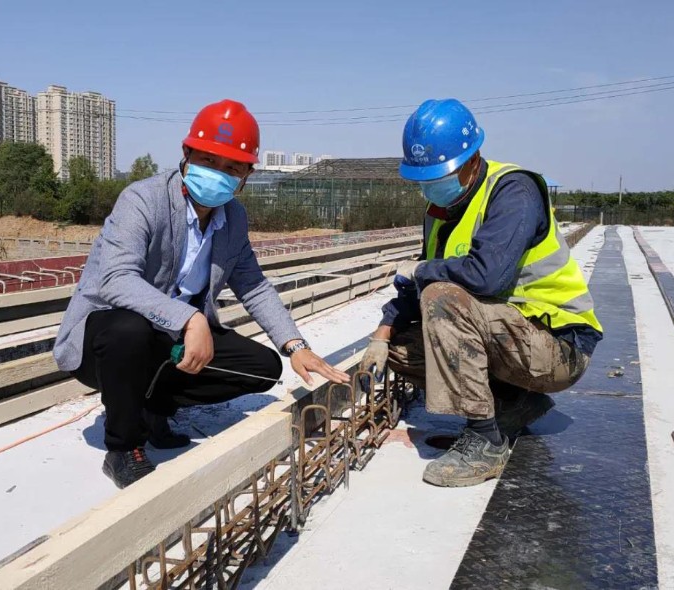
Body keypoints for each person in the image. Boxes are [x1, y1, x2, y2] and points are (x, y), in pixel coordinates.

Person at [53, 99, 349, 489]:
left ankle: (155, 408)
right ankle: (124, 448)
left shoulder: (233, 218)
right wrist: (190, 318)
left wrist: (295, 346)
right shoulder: (143, 200)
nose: (218, 174)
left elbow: (253, 285)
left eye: (232, 167)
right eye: (209, 160)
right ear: (187, 154)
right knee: (130, 331)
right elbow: (116, 279)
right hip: (107, 342)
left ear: (246, 175)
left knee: (262, 367)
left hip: (168, 338)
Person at [360, 99, 602, 488]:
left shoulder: (513, 191)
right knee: (402, 346)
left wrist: (422, 270)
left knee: (441, 299)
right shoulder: (440, 211)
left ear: (472, 160)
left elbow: (485, 276)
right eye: (424, 178)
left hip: (559, 344)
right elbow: (417, 285)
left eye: (440, 175)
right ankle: (513, 403)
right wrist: (382, 333)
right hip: (509, 335)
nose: (430, 186)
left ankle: (485, 441)